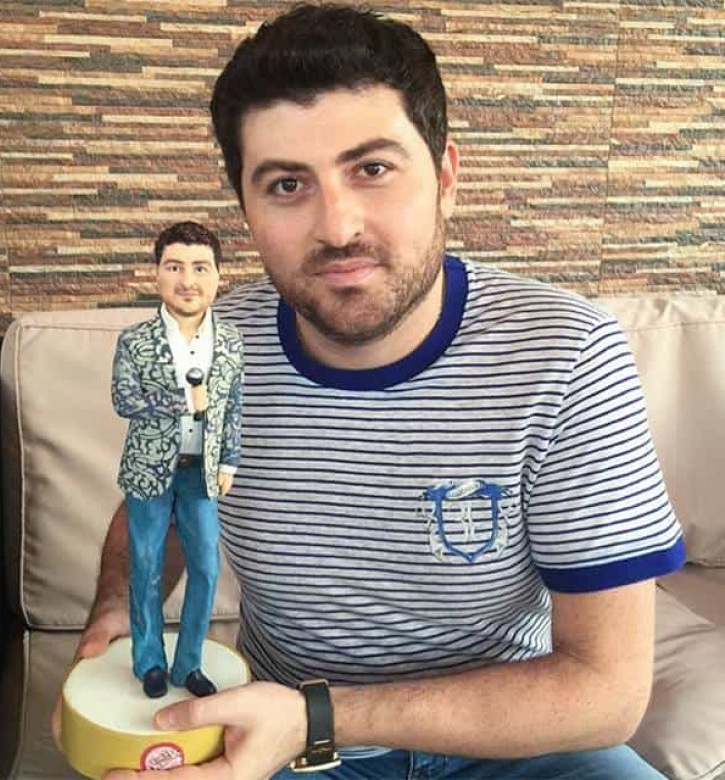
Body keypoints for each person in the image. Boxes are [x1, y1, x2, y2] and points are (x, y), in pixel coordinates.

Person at [56, 5, 686, 778]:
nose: (338, 226)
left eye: (373, 169)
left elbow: (605, 690)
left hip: (515, 735)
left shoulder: (568, 353)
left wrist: (318, 716)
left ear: (445, 177)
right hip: (275, 743)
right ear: (246, 210)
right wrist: (119, 607)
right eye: (287, 184)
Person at [111, 221, 243, 699]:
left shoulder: (230, 341)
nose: (187, 280)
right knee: (146, 566)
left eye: (200, 268)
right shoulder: (135, 340)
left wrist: (228, 462)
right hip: (149, 473)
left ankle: (188, 664)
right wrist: (183, 401)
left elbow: (232, 407)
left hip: (201, 474)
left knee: (206, 566)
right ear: (157, 273)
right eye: (175, 267)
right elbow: (124, 400)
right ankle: (149, 661)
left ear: (218, 276)